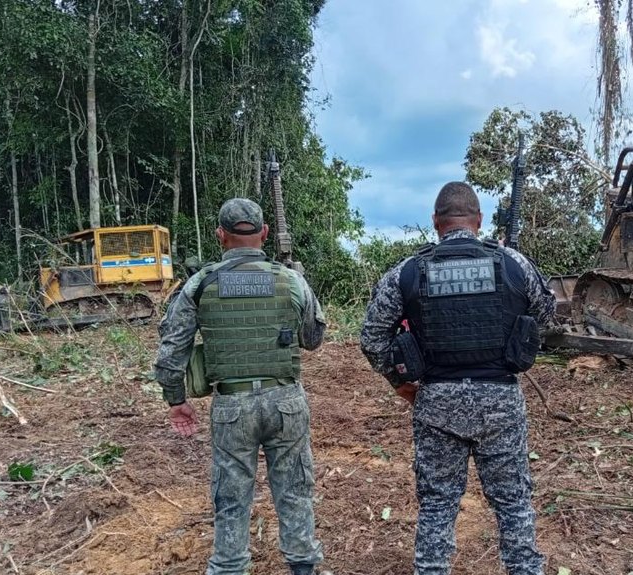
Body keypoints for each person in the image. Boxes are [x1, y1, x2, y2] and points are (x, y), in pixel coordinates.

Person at [360, 182, 555, 575]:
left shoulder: (409, 272)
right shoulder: (514, 263)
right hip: (500, 402)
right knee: (513, 503)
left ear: (436, 223)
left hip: (436, 404)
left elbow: (372, 337)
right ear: (479, 221)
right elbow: (545, 316)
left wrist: (399, 384)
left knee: (438, 503)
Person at [154, 198, 327, 575]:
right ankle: (303, 567)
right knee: (295, 488)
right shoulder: (290, 279)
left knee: (231, 497)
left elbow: (170, 353)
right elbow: (313, 338)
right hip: (286, 401)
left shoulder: (200, 284)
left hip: (231, 406)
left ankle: (230, 567)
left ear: (220, 236)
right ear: (264, 233)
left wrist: (176, 400)